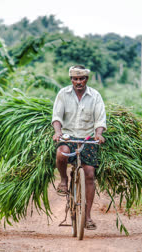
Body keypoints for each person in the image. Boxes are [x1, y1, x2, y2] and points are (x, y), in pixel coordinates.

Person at [51, 65, 106, 230]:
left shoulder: (95, 96)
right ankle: (63, 180)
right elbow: (57, 117)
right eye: (75, 79)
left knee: (89, 174)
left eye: (81, 79)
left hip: (88, 138)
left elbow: (100, 119)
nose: (78, 82)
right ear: (71, 80)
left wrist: (99, 133)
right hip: (68, 136)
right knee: (62, 153)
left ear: (86, 79)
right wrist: (58, 132)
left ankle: (87, 217)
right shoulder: (63, 94)